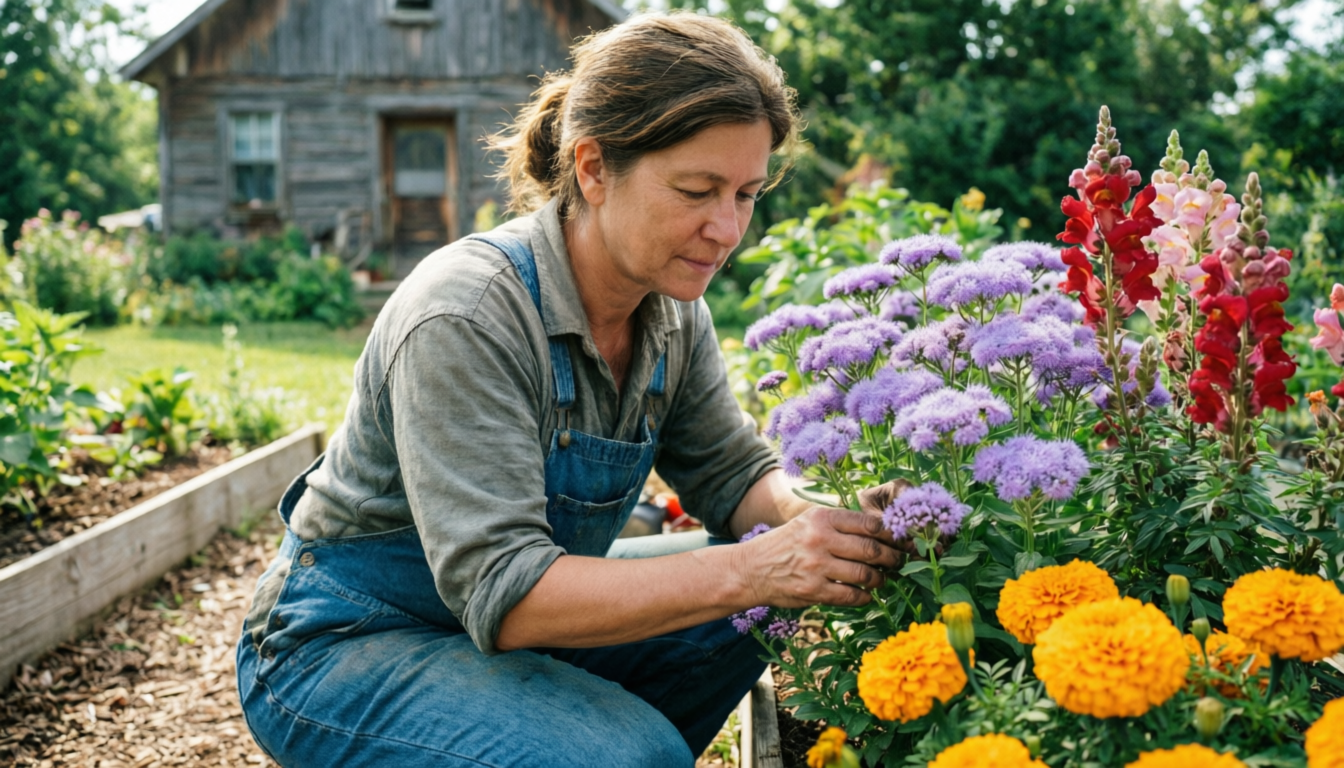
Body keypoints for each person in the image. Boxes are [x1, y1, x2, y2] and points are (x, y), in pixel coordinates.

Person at [236, 12, 899, 768]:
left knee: (753, 603)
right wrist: (760, 564)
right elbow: (509, 593)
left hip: (493, 631)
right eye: (697, 189)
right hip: (346, 643)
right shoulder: (468, 312)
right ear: (591, 169)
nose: (726, 228)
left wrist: (832, 518)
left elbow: (733, 476)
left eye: (746, 194)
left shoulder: (673, 311)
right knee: (638, 748)